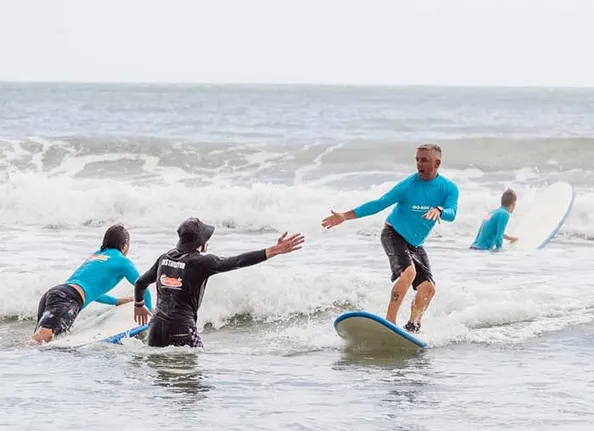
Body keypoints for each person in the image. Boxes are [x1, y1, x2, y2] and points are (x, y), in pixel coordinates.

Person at [321, 143, 459, 333]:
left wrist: (440, 210)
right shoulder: (407, 186)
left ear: (437, 163)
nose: (419, 164)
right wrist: (345, 216)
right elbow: (379, 204)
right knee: (408, 273)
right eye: (417, 159)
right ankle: (390, 321)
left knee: (428, 289)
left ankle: (412, 327)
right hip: (394, 234)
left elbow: (452, 213)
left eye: (424, 160)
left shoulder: (448, 188)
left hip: (416, 243)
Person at [132, 217, 304, 348]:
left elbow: (140, 282)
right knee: (191, 381)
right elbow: (238, 261)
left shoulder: (165, 258)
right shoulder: (201, 262)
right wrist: (274, 250)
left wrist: (139, 304)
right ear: (200, 242)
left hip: (155, 330)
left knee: (163, 380)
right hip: (182, 330)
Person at [32, 224, 153, 344]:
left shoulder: (96, 255)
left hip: (56, 294)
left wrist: (116, 301)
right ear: (125, 245)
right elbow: (142, 286)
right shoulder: (123, 261)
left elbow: (90, 292)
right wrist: (151, 314)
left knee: (44, 342)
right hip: (67, 299)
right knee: (40, 340)